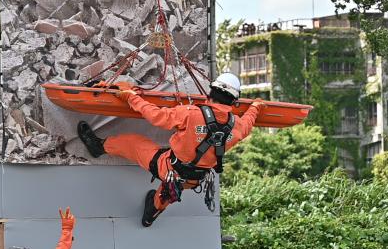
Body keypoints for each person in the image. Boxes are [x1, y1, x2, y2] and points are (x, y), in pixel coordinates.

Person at [77, 73, 265, 227]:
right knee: (168, 191)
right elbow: (249, 122)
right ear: (233, 101)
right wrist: (255, 107)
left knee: (133, 144)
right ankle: (150, 215)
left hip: (168, 167)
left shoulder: (192, 114)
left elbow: (156, 116)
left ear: (211, 92)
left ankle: (98, 147)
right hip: (194, 179)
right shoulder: (238, 126)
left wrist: (131, 96)